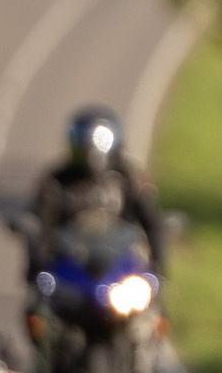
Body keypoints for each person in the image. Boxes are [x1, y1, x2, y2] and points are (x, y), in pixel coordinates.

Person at [24, 105, 167, 282]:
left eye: (100, 139)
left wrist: (158, 268)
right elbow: (39, 225)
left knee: (154, 309)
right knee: (38, 309)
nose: (91, 147)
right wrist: (38, 265)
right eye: (85, 139)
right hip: (68, 272)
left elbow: (152, 222)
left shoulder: (130, 180)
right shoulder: (56, 182)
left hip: (121, 273)